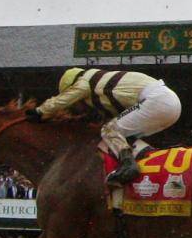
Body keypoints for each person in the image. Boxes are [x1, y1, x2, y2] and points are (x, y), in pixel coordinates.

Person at [28, 67, 183, 185]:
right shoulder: (102, 83)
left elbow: (64, 99)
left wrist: (40, 111)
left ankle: (129, 166)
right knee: (124, 135)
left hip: (157, 101)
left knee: (110, 130)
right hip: (170, 103)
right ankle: (147, 160)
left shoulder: (84, 81)